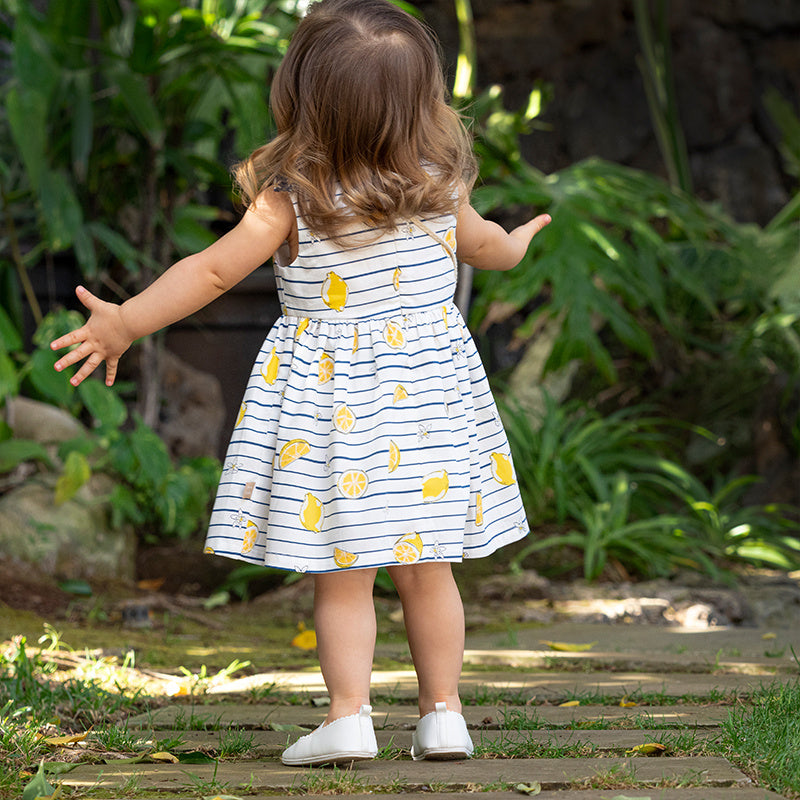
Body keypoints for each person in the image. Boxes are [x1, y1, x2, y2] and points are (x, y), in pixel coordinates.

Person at [51, 0, 550, 767]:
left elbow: (213, 271)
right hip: (428, 409)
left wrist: (127, 321)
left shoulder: (291, 195)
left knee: (344, 573)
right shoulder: (437, 185)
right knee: (429, 568)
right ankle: (443, 713)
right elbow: (488, 249)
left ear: (301, 94)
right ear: (423, 102)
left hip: (337, 411)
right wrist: (517, 243)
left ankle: (350, 716)